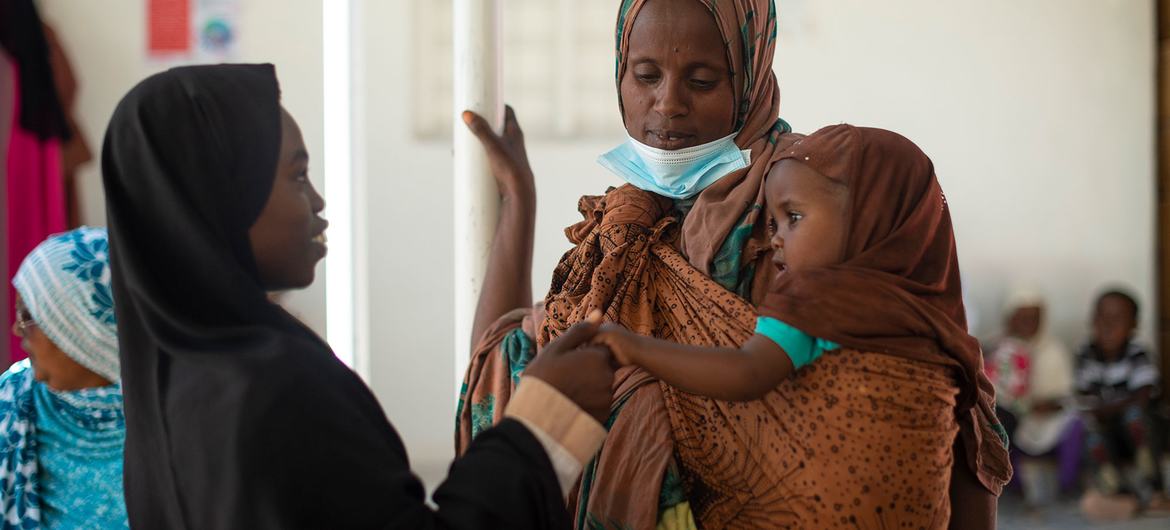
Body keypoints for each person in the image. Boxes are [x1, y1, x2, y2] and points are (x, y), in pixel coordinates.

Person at [458, 1, 1010, 527]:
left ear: (750, 75)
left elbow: (919, 387)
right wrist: (518, 203)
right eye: (645, 75)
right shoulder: (619, 230)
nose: (668, 103)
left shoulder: (807, 208)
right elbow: (505, 361)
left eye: (701, 81)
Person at [102, 64, 616, 529]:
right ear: (219, 198)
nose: (318, 201)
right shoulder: (272, 391)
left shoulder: (171, 389)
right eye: (297, 176)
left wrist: (516, 203)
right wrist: (541, 427)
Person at [587, 123, 1001, 526]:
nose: (777, 239)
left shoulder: (813, 298)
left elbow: (747, 372)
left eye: (794, 217)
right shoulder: (940, 327)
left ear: (870, 219)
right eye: (774, 223)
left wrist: (634, 347)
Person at [0, 226, 126, 528]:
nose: (16, 331)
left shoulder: (184, 417)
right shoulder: (13, 399)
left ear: (81, 330)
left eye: (27, 316)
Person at [983, 287, 1081, 509]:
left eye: (1034, 317)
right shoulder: (995, 346)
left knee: (1075, 423)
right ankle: (1010, 487)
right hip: (1011, 416)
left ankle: (1067, 487)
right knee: (998, 422)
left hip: (1046, 418)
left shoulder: (1054, 349)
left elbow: (1067, 396)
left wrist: (1047, 404)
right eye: (1022, 317)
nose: (1028, 323)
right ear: (1010, 318)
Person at [1074, 289, 1165, 513]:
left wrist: (1107, 408)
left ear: (1133, 325)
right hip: (1110, 433)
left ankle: (1154, 490)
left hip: (1145, 433)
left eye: (1117, 319)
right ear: (1092, 321)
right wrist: (1113, 407)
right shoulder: (1086, 354)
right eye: (1101, 318)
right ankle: (1117, 493)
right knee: (1091, 431)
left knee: (1134, 417)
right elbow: (1088, 404)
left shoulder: (1137, 353)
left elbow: (1143, 399)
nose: (1107, 326)